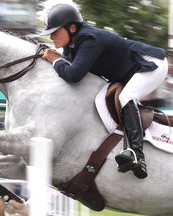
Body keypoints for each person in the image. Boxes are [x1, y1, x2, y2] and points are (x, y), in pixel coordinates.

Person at [41, 3, 168, 179]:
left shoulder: (88, 39)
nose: (52, 37)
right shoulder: (71, 46)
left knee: (127, 96)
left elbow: (73, 75)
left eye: (55, 31)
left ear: (72, 27)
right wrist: (56, 59)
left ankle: (136, 154)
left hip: (151, 63)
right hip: (129, 72)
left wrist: (55, 60)